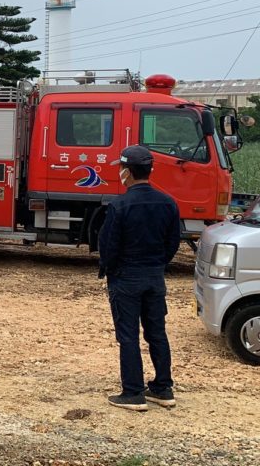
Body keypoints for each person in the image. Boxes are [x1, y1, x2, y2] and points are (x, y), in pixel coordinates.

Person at [98, 145, 180, 412]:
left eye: (121, 168)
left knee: (128, 336)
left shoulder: (120, 205)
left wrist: (111, 272)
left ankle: (133, 393)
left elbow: (109, 245)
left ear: (128, 172)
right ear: (150, 170)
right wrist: (157, 265)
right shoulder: (168, 203)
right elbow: (172, 243)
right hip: (154, 277)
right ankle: (162, 388)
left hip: (126, 278)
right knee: (157, 333)